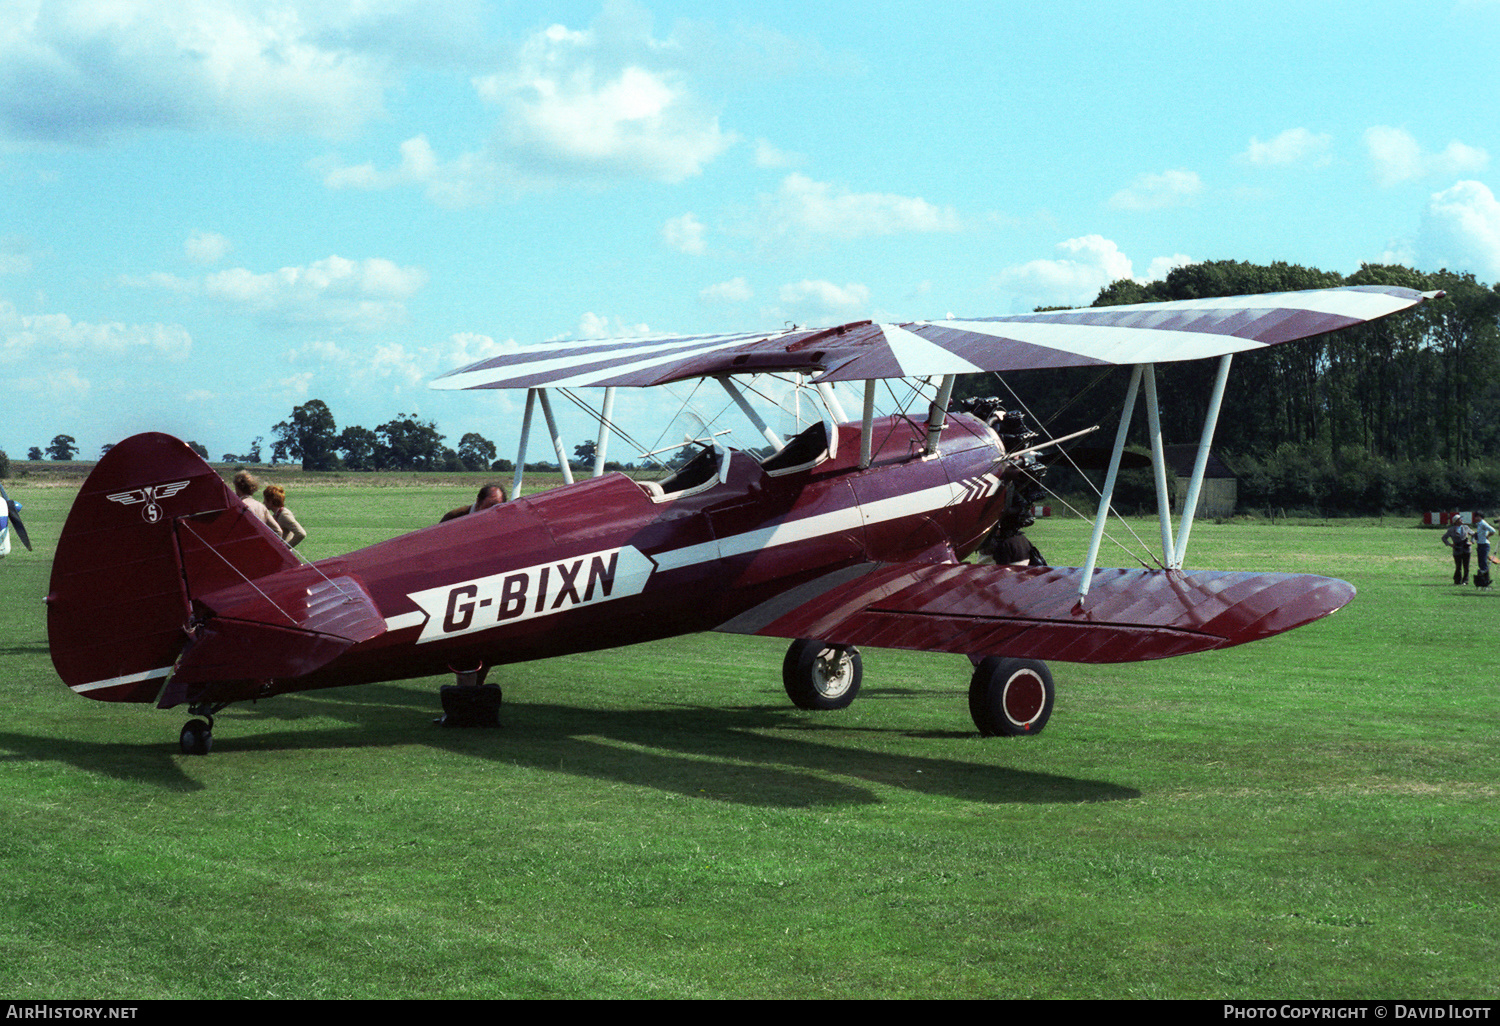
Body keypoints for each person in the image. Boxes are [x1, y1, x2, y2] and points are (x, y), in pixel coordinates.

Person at [263, 484, 308, 549]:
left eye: (265, 499)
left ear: (270, 501)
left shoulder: (284, 515)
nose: (263, 502)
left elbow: (301, 533)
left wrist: (284, 549)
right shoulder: (277, 514)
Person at [440, 483, 507, 523]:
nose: (493, 511)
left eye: (498, 506)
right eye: (490, 505)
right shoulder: (453, 518)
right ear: (478, 501)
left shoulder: (502, 522)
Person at [1442, 510, 1473, 586]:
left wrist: (1471, 542)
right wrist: (1450, 544)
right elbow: (1444, 538)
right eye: (1460, 519)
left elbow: (1474, 534)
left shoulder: (1466, 527)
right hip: (1457, 549)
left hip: (1466, 549)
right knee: (1458, 566)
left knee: (1466, 566)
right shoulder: (1451, 530)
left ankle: (1465, 581)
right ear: (1456, 521)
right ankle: (1457, 580)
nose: (1461, 520)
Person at [1475, 512, 1495, 587]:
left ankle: (1486, 580)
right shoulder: (1479, 524)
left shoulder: (1483, 523)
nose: (1475, 518)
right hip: (1480, 544)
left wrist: (1488, 536)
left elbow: (1493, 530)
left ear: (1480, 517)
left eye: (1477, 517)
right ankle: (1482, 580)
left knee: (1483, 562)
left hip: (1484, 544)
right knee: (1480, 562)